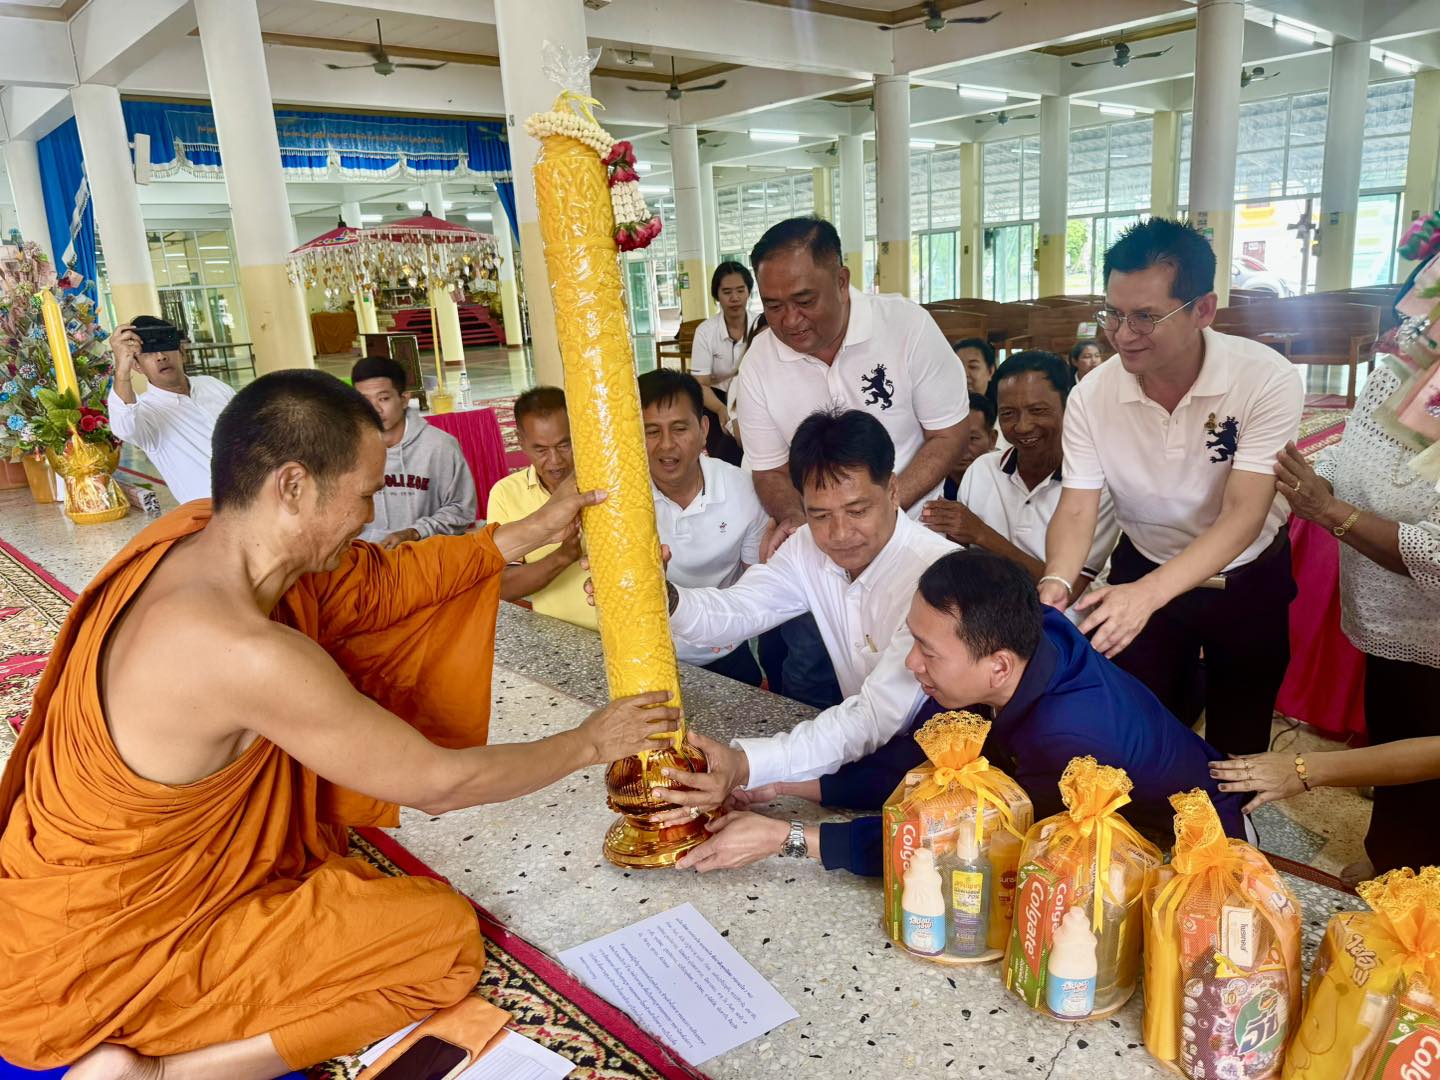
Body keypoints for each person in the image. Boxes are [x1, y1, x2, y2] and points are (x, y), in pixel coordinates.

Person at [0, 370, 678, 1077]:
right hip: (107, 951)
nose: (368, 514)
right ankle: (165, 1073)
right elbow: (438, 784)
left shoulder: (195, 537)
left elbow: (378, 580)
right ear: (291, 485)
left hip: (55, 897)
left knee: (343, 886)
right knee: (440, 942)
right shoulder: (244, 653)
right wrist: (589, 742)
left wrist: (529, 532)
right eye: (364, 493)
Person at [673, 550, 1246, 875]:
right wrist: (790, 786)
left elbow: (962, 839)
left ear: (996, 664)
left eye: (928, 651)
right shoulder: (1027, 638)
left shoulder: (1066, 737)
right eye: (912, 641)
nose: (912, 665)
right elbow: (930, 763)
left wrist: (784, 839)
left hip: (1191, 850)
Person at [1042, 218, 1303, 757]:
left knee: (1240, 735)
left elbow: (1243, 515)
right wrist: (1057, 583)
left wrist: (1149, 594)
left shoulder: (1265, 379)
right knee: (1140, 721)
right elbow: (1077, 508)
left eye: (1145, 317)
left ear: (1203, 310)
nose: (1122, 333)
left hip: (1244, 575)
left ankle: (1234, 832)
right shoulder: (1093, 395)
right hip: (1145, 562)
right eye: (1113, 313)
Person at [641, 408, 954, 829]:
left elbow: (876, 716)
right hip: (863, 760)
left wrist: (746, 762)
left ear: (894, 491)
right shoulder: (808, 546)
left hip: (945, 778)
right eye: (820, 514)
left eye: (858, 510)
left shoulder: (938, 574)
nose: (840, 533)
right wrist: (665, 598)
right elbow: (739, 610)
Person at [733, 217, 968, 707]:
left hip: (909, 544)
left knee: (916, 679)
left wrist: (881, 514)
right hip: (821, 548)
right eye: (773, 306)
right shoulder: (760, 360)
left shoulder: (904, 326)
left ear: (841, 281)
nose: (790, 320)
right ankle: (814, 774)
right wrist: (804, 520)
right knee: (811, 668)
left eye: (804, 300)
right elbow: (769, 469)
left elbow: (947, 433)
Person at [1229, 346, 1438, 875]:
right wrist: (1310, 475)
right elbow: (1359, 449)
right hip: (1392, 620)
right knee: (1397, 726)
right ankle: (1395, 860)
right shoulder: (1415, 351)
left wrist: (1303, 769)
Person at [923, 351, 1118, 590]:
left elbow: (1067, 591)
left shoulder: (1096, 487)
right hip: (984, 615)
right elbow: (961, 560)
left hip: (1056, 622)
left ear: (1070, 406)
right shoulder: (983, 470)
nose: (1022, 426)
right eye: (1008, 414)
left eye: (1038, 410)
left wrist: (982, 535)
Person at [639, 368, 770, 686]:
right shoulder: (621, 503)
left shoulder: (744, 490)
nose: (666, 445)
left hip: (723, 648)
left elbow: (754, 584)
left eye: (679, 429)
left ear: (703, 429)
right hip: (648, 653)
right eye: (651, 431)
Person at [486, 387, 597, 630]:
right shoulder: (506, 494)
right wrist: (563, 557)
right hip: (555, 634)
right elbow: (503, 586)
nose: (556, 460)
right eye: (541, 450)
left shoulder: (604, 486)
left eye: (564, 445)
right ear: (520, 442)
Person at [105, 315, 236, 504]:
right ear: (136, 366)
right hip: (213, 514)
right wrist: (121, 369)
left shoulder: (212, 386)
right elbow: (124, 425)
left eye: (165, 347)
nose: (161, 357)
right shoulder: (146, 413)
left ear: (181, 351)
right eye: (148, 353)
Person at [350, 355, 477, 548]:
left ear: (404, 399)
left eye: (383, 398)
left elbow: (461, 510)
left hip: (425, 553)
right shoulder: (346, 450)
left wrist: (415, 532)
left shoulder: (439, 446)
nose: (374, 409)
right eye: (364, 401)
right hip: (363, 557)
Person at [688, 261, 754, 465]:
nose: (734, 298)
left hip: (752, 397)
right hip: (716, 399)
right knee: (723, 457)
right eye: (727, 292)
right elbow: (701, 383)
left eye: (740, 290)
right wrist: (720, 409)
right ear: (717, 295)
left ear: (749, 292)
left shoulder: (761, 325)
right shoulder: (706, 332)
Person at [943, 392, 998, 499]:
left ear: (992, 439)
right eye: (954, 438)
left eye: (972, 438)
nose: (961, 449)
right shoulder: (928, 486)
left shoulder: (1004, 486)